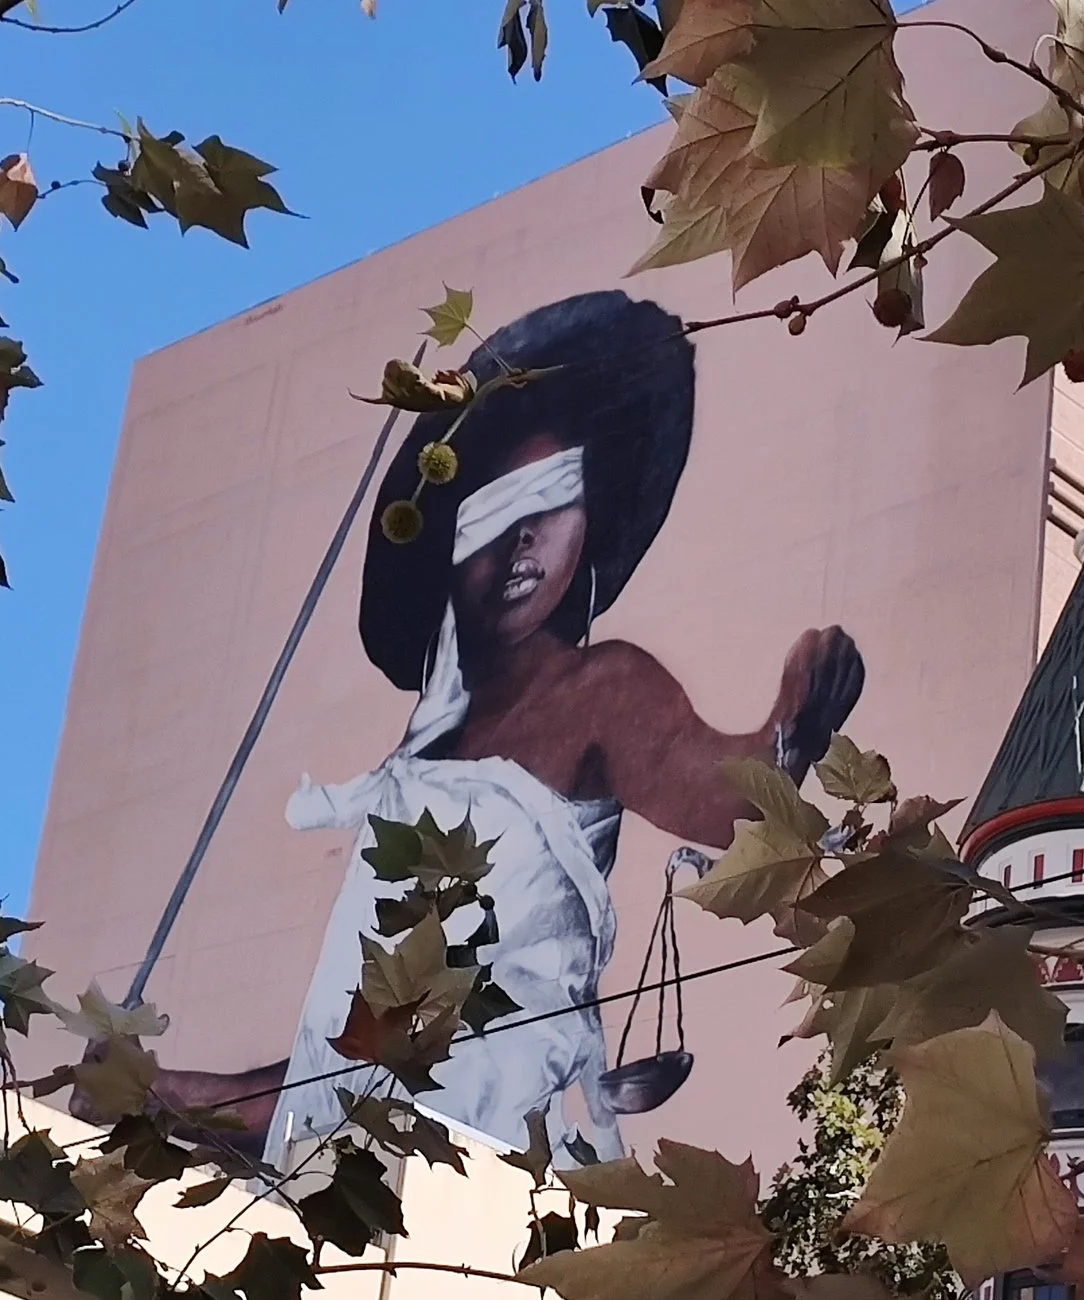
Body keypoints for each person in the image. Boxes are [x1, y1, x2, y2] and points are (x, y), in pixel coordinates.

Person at [127, 292, 864, 1167]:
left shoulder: (599, 689)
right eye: (491, 522)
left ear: (588, 519)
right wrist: (169, 1090)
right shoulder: (415, 765)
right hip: (369, 1168)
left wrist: (792, 726)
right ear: (445, 549)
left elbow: (722, 800)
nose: (522, 545)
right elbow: (363, 1059)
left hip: (498, 1166)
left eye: (547, 509)